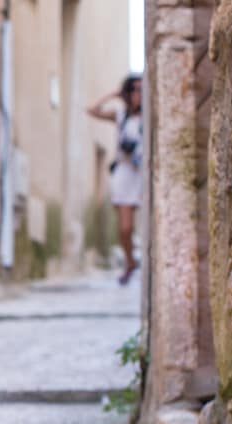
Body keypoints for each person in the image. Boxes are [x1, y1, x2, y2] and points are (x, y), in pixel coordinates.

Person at [87, 73, 143, 285]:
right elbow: (92, 109)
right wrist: (114, 95)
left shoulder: (148, 116)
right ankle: (129, 261)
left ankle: (139, 260)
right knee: (125, 227)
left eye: (142, 90)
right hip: (124, 171)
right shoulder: (120, 116)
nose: (138, 94)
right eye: (134, 89)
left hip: (143, 173)